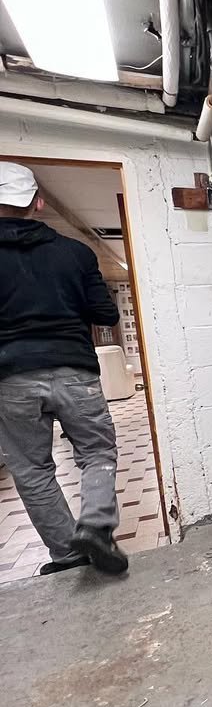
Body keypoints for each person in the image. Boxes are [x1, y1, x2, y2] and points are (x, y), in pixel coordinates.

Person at [0, 162, 129, 576]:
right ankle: (95, 525)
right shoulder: (74, 252)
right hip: (75, 370)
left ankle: (68, 554)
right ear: (37, 202)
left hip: (11, 377)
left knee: (32, 468)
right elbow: (105, 313)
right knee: (96, 452)